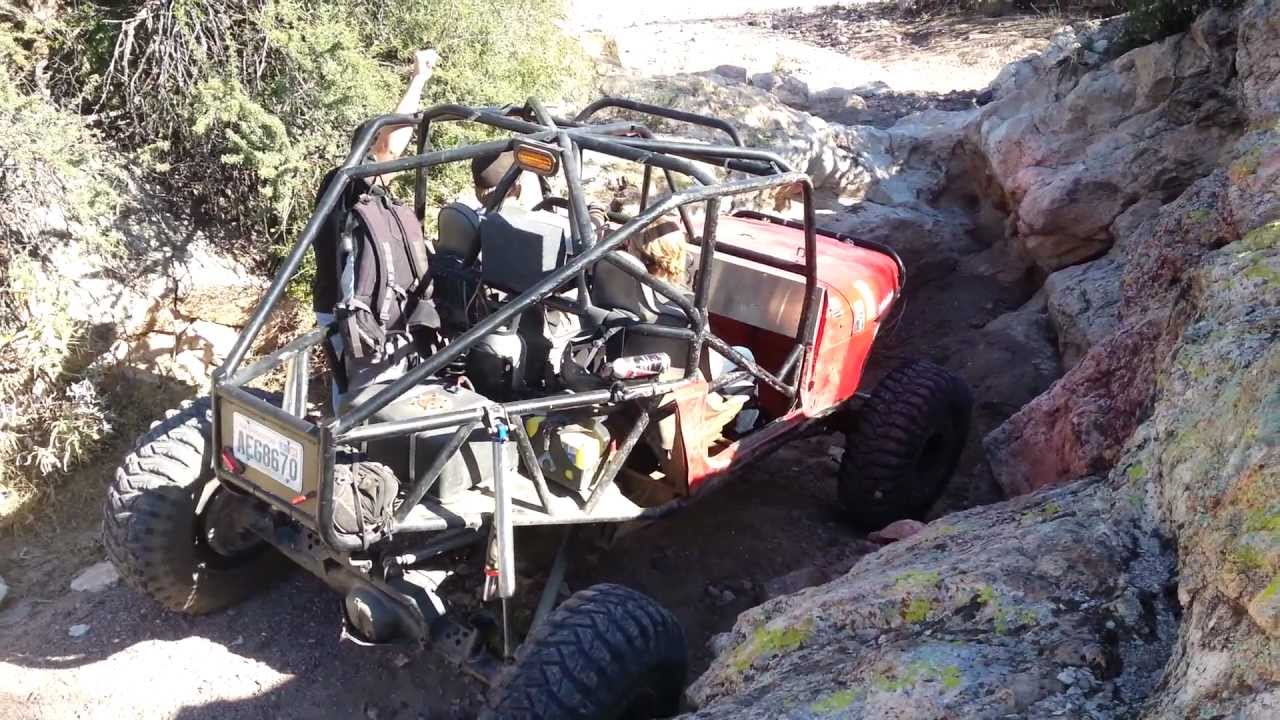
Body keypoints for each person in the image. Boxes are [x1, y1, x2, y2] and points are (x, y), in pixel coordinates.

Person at [312, 48, 440, 410]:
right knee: (366, 401)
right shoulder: (347, 183)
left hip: (340, 307)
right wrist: (419, 79)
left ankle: (345, 443)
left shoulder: (346, 189)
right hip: (350, 313)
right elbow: (389, 145)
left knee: (348, 390)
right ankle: (358, 456)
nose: (394, 159)